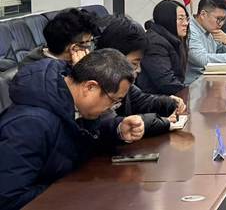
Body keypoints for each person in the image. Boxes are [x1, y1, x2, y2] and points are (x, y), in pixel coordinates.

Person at [0, 50, 144, 210]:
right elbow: (9, 199)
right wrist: (76, 192)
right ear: (90, 87)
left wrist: (118, 129)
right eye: (113, 100)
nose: (111, 108)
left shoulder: (69, 103)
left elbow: (79, 140)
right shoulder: (29, 125)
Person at [95, 16, 185, 137]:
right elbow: (110, 125)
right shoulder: (97, 83)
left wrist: (168, 102)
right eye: (134, 64)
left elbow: (141, 101)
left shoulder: (123, 83)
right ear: (115, 56)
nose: (138, 70)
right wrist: (160, 123)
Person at [137, 0, 190, 95]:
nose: (186, 23)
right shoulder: (155, 43)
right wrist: (190, 93)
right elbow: (166, 83)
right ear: (167, 19)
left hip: (169, 96)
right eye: (181, 19)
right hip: (154, 99)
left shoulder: (173, 39)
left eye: (186, 19)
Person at [19, 8, 100, 67]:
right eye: (88, 42)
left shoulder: (60, 61)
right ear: (73, 48)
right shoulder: (38, 72)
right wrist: (80, 70)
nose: (89, 47)